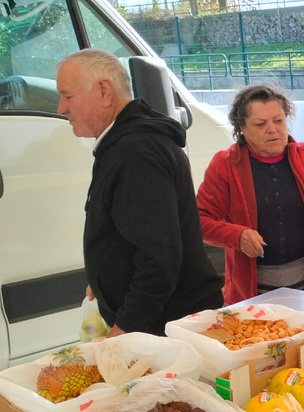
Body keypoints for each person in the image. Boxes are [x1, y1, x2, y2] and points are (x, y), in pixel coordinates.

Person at [56, 49, 223, 337]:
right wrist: (101, 280)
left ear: (105, 91)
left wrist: (126, 329)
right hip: (162, 323)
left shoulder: (135, 153)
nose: (61, 108)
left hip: (168, 330)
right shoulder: (123, 144)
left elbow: (159, 258)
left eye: (67, 96)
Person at [197, 85, 304, 305]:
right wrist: (237, 236)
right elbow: (200, 222)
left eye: (278, 120)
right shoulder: (225, 165)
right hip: (256, 293)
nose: (272, 129)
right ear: (242, 127)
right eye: (260, 124)